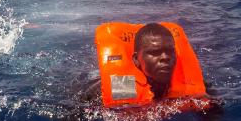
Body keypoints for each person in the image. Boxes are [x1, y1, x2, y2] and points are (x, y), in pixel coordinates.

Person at [79, 22, 215, 108]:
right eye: (154, 52)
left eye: (169, 51)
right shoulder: (117, 88)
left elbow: (214, 113)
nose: (165, 58)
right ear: (136, 59)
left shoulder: (198, 87)